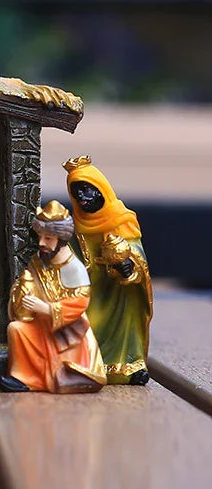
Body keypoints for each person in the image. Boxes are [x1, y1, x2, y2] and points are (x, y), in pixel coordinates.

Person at [0, 200, 107, 394]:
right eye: (40, 237)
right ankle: (24, 379)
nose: (42, 243)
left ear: (62, 239)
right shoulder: (39, 260)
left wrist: (46, 309)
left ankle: (55, 377)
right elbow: (29, 284)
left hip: (67, 330)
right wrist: (23, 289)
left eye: (48, 238)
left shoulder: (74, 268)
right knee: (16, 329)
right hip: (40, 323)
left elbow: (80, 302)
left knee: (61, 353)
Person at [65, 156, 152, 385]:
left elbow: (136, 251)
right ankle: (89, 366)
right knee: (87, 325)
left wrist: (129, 266)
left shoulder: (121, 219)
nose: (82, 197)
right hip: (91, 290)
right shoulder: (75, 227)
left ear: (101, 189)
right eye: (76, 192)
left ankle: (129, 366)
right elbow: (69, 257)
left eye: (87, 189)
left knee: (125, 324)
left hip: (120, 290)